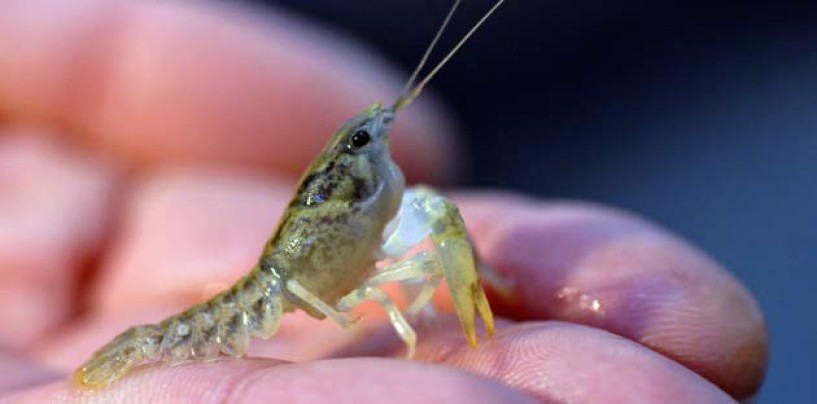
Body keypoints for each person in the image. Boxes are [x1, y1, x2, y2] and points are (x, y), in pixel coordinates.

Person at [0, 0, 767, 402]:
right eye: (362, 150)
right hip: (239, 308)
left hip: (284, 287)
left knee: (432, 204)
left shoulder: (375, 185)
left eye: (363, 147)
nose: (376, 149)